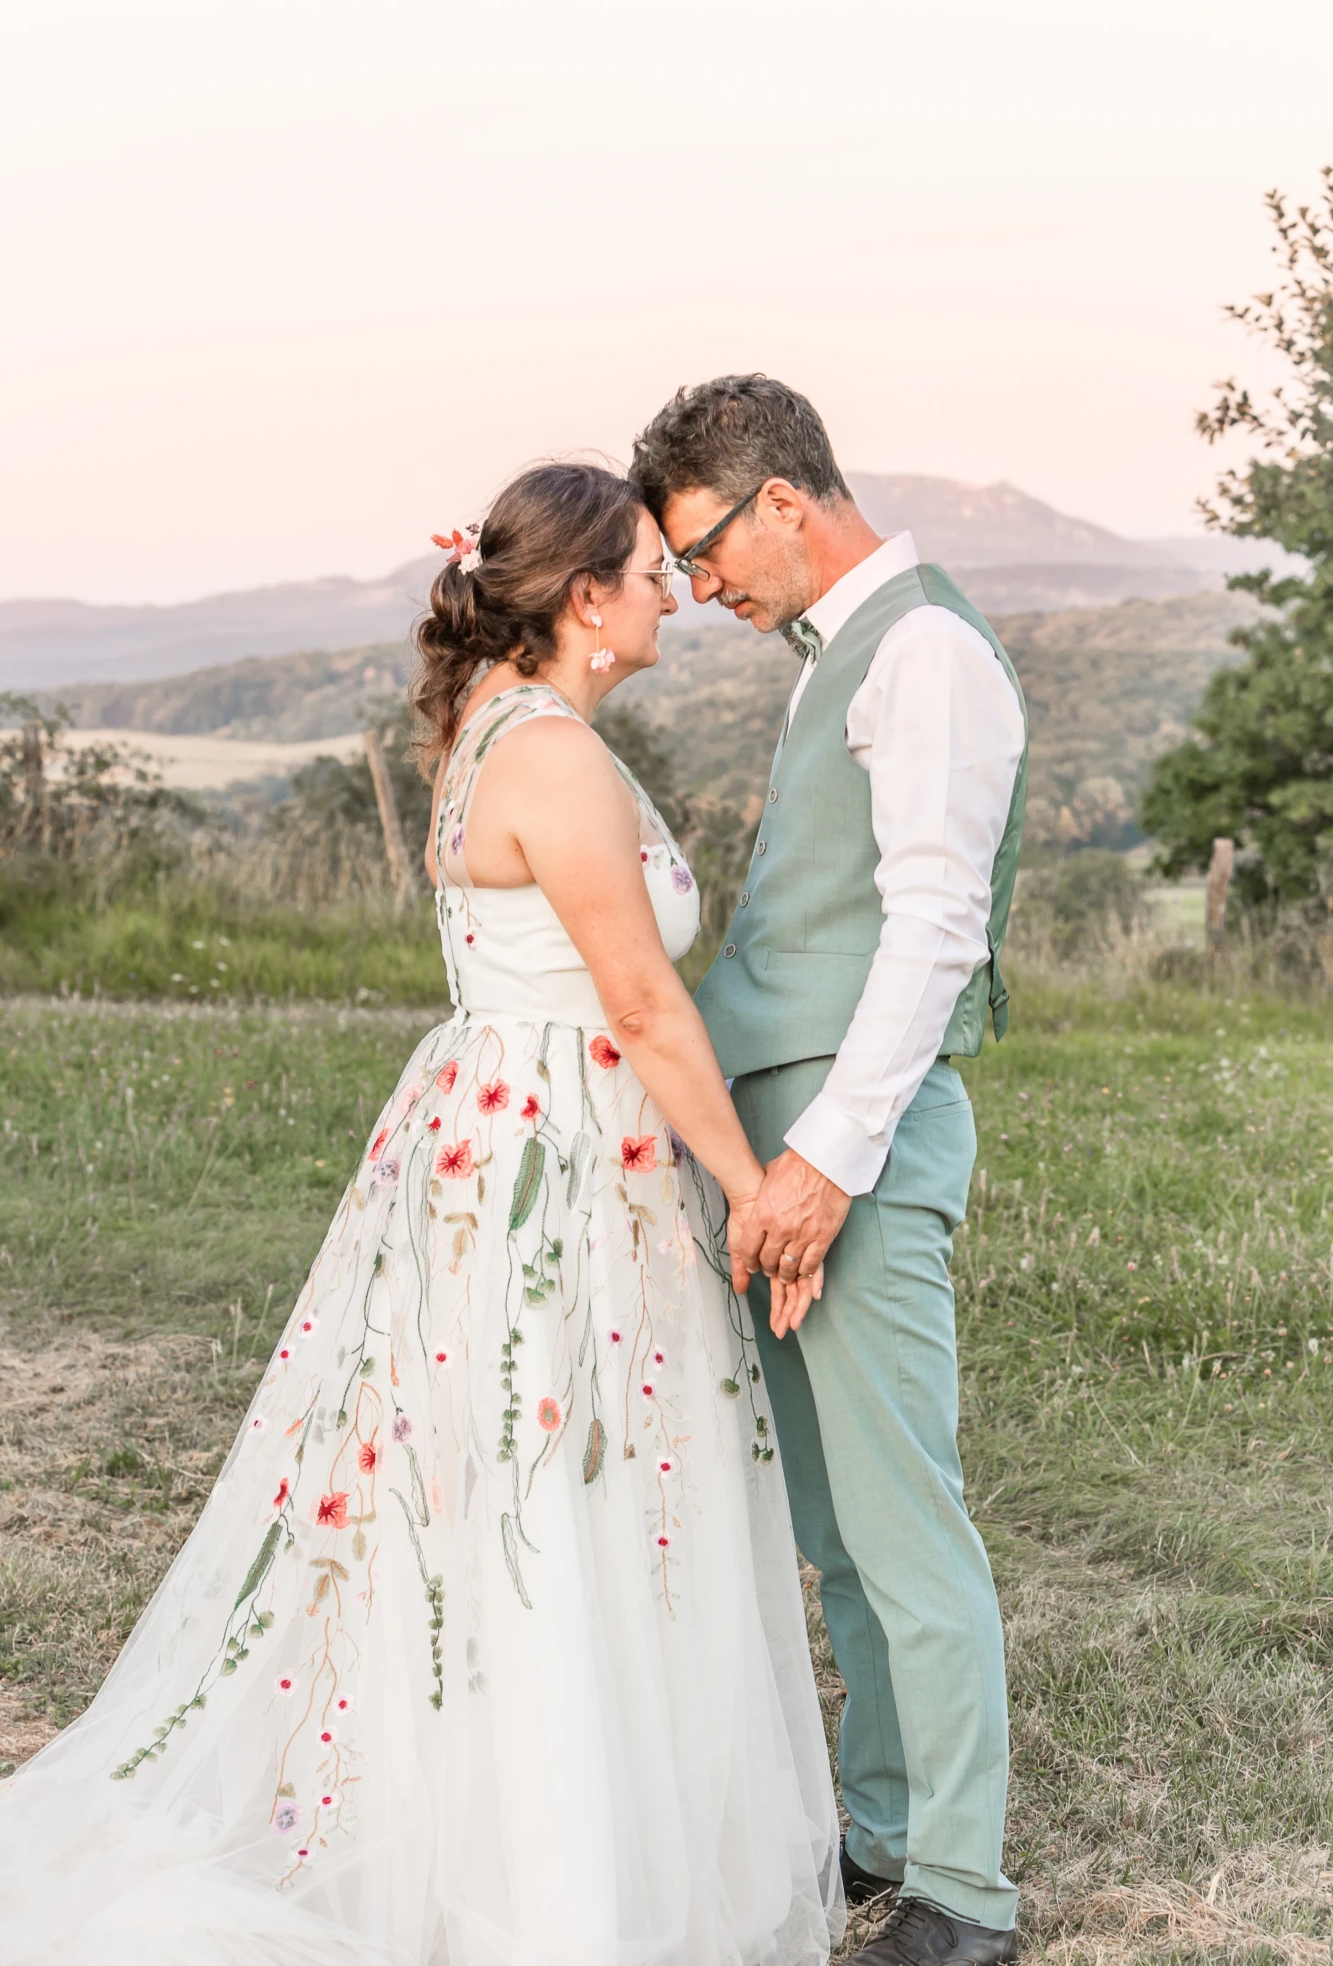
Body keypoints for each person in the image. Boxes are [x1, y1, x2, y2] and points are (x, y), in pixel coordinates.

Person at [0, 461, 843, 1966]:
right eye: (654, 572)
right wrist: (748, 1182)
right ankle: (551, 1877)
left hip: (514, 1134)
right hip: (554, 1163)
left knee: (517, 1485)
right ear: (586, 601)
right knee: (538, 1481)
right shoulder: (555, 759)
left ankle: (529, 1831)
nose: (674, 596)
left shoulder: (506, 728)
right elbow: (642, 1004)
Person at [632, 378, 1029, 1966]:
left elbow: (934, 930)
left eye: (707, 549)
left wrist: (821, 1169)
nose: (701, 587)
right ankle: (884, 1829)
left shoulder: (925, 651)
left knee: (905, 1523)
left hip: (844, 1160)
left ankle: (965, 1893)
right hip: (785, 1158)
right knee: (839, 1530)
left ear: (784, 499)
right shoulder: (835, 663)